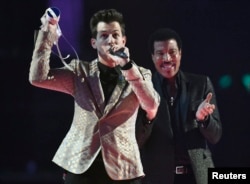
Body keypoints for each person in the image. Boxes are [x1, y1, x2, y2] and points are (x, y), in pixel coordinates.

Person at [29, 8, 160, 184]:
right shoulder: (79, 71)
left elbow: (151, 104)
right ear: (94, 43)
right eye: (104, 36)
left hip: (123, 168)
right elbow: (38, 78)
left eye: (115, 35)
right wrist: (47, 32)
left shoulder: (141, 73)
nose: (110, 40)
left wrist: (127, 67)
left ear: (124, 40)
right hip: (80, 165)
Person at [136, 28, 222, 184]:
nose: (167, 58)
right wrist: (148, 117)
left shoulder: (201, 84)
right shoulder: (143, 89)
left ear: (180, 53)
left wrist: (204, 119)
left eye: (172, 52)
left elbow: (215, 136)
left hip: (197, 176)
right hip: (157, 177)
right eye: (160, 53)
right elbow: (136, 142)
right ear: (152, 57)